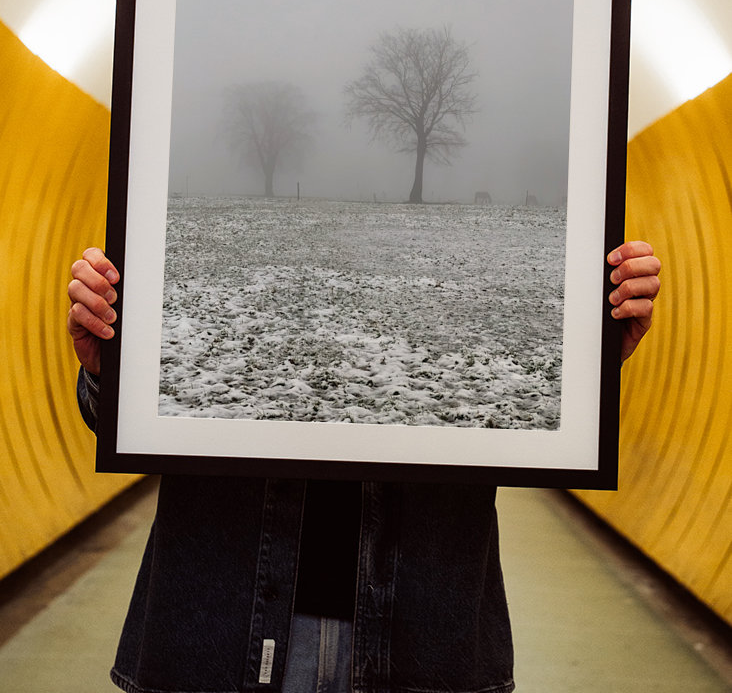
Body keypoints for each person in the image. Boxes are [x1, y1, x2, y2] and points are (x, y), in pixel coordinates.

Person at [68, 241, 661, 693]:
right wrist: (109, 371)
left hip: (423, 638)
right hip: (219, 631)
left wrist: (588, 364)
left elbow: (535, 412)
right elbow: (120, 420)